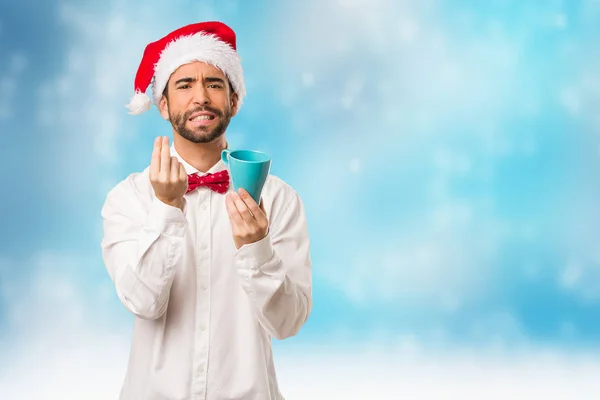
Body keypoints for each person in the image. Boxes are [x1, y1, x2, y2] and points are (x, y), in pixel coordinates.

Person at [100, 21, 312, 400]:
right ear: (163, 105)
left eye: (214, 84)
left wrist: (257, 248)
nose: (201, 97)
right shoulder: (128, 198)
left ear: (233, 101)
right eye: (184, 85)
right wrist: (166, 209)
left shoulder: (278, 199)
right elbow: (143, 302)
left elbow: (288, 323)